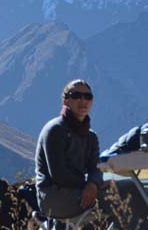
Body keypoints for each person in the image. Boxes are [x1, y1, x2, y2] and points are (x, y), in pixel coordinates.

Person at [35, 79, 103, 218]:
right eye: (76, 95)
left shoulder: (91, 137)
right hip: (53, 196)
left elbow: (96, 167)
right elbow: (59, 173)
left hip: (78, 191)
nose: (83, 100)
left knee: (128, 188)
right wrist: (87, 186)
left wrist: (93, 184)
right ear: (65, 101)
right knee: (118, 198)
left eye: (88, 96)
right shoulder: (55, 130)